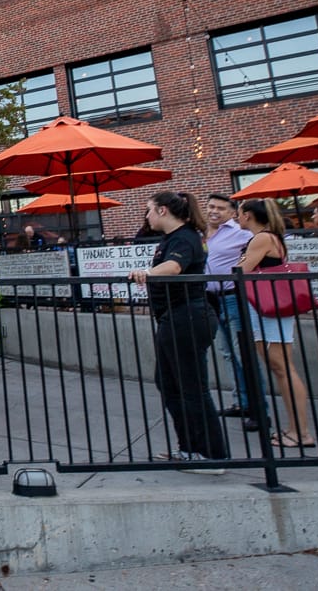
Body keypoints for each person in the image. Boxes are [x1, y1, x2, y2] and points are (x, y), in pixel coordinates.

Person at [127, 191, 228, 470]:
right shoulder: (171, 238)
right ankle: (189, 449)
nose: (146, 216)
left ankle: (211, 454)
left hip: (188, 317)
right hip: (173, 318)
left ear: (161, 211)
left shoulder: (185, 237)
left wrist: (147, 273)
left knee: (191, 387)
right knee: (169, 383)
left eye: (148, 210)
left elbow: (174, 267)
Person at [236, 199, 314, 448]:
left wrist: (236, 263)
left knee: (283, 367)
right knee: (277, 366)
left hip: (270, 304)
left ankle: (301, 432)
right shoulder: (263, 238)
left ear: (247, 215)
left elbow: (241, 270)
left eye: (238, 214)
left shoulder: (263, 238)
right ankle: (294, 429)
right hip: (259, 305)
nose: (237, 218)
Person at [204, 194, 262, 431]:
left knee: (244, 355)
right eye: (210, 207)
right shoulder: (202, 233)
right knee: (227, 353)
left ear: (231, 213)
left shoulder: (242, 234)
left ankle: (259, 411)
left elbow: (265, 250)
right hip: (210, 300)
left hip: (233, 298)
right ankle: (242, 402)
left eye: (220, 208)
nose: (214, 211)